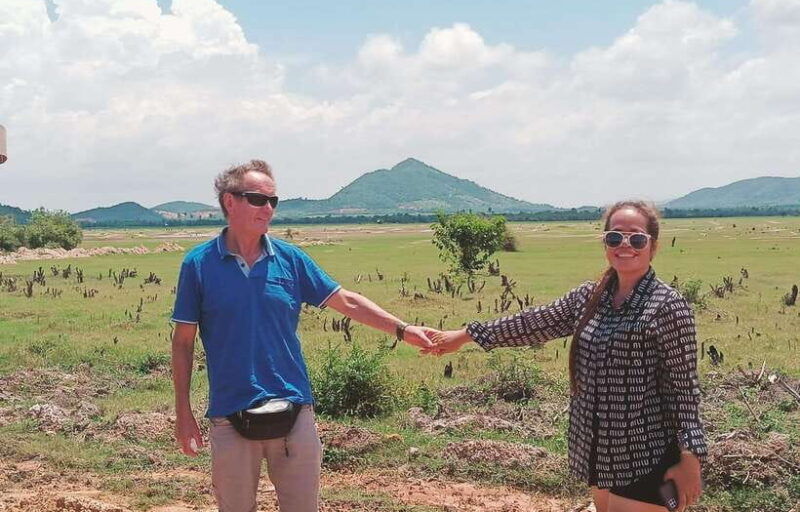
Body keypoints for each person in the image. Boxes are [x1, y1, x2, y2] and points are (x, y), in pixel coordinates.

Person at [171, 159, 434, 512]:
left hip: (294, 412)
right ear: (229, 202)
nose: (268, 209)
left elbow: (347, 302)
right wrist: (183, 412)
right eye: (258, 199)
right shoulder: (198, 265)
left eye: (273, 201)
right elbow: (183, 341)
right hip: (230, 415)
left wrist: (403, 329)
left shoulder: (290, 260)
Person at [428, 201, 706, 512]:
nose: (625, 245)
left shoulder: (667, 306)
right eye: (615, 237)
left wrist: (690, 458)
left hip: (647, 455)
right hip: (598, 454)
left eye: (636, 238)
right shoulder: (589, 298)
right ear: (605, 243)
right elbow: (532, 323)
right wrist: (465, 335)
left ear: (652, 247)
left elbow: (684, 391)